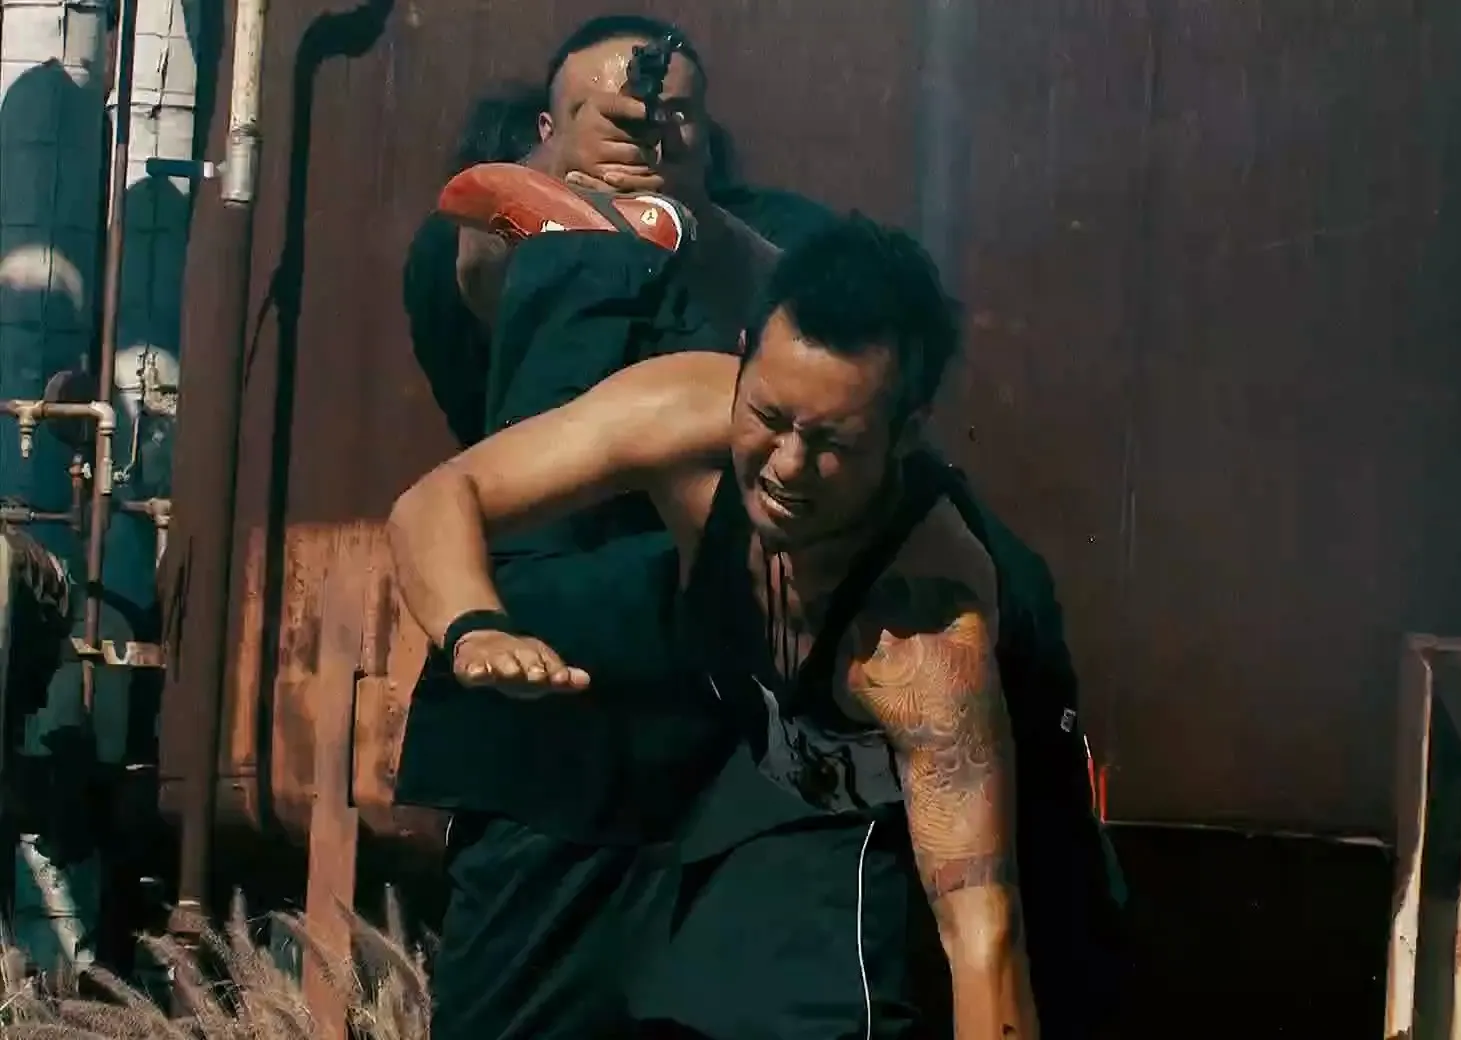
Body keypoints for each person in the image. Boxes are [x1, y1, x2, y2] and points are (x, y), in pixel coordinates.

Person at [390, 205, 1125, 1038]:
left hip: (985, 840)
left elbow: (984, 937)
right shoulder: (683, 410)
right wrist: (474, 626)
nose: (787, 468)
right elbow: (441, 497)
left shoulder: (921, 640)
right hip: (792, 769)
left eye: (833, 443)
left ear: (905, 434)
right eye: (769, 419)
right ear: (742, 360)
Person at [392, 16, 837, 1040]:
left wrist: (685, 225)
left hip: (725, 709)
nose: (644, 127)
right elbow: (469, 258)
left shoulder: (768, 230)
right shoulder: (492, 219)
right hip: (548, 693)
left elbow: (831, 325)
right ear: (547, 125)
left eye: (673, 114)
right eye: (605, 110)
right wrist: (582, 212)